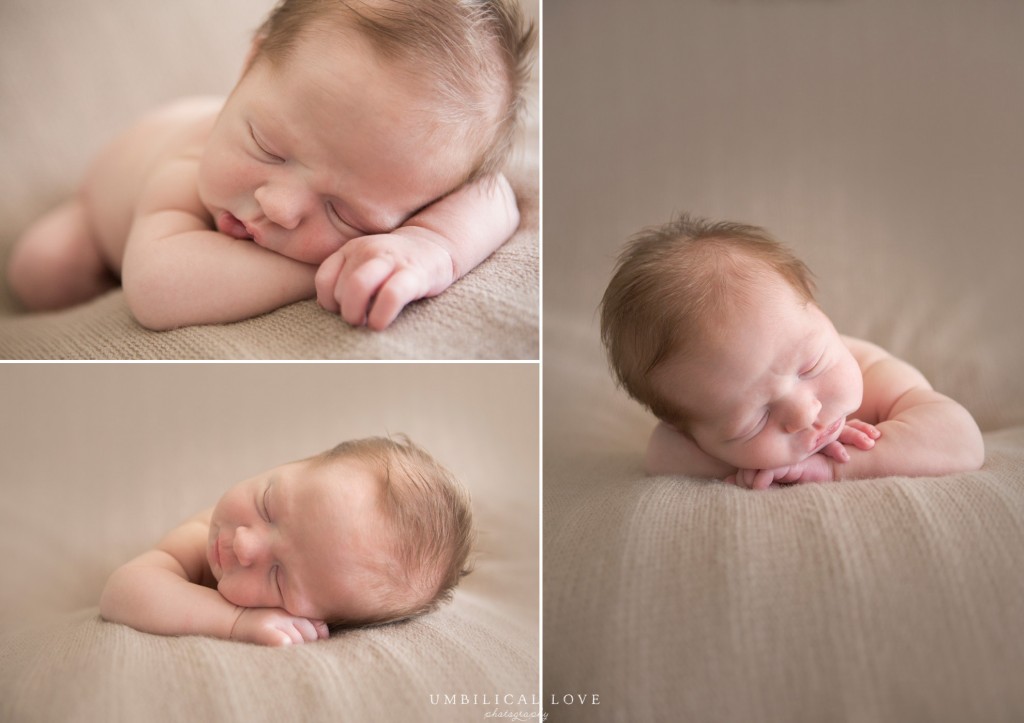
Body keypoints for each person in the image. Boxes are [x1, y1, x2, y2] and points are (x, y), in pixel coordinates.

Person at [7, 0, 535, 331]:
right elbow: (154, 286)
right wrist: (330, 260)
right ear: (248, 66)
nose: (277, 207)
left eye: (345, 213)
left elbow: (493, 197)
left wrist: (432, 248)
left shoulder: (409, 165)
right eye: (267, 147)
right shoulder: (186, 165)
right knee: (43, 270)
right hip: (98, 212)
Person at [600, 214, 985, 490]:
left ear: (822, 315)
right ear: (689, 430)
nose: (804, 414)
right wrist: (747, 461)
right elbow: (660, 455)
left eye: (811, 366)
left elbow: (961, 440)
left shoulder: (876, 375)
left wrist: (833, 467)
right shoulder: (687, 433)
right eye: (754, 420)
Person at [100, 436, 474, 645]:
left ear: (310, 621)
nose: (244, 546)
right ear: (290, 463)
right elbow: (123, 590)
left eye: (278, 578)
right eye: (267, 505)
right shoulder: (201, 538)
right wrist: (235, 621)